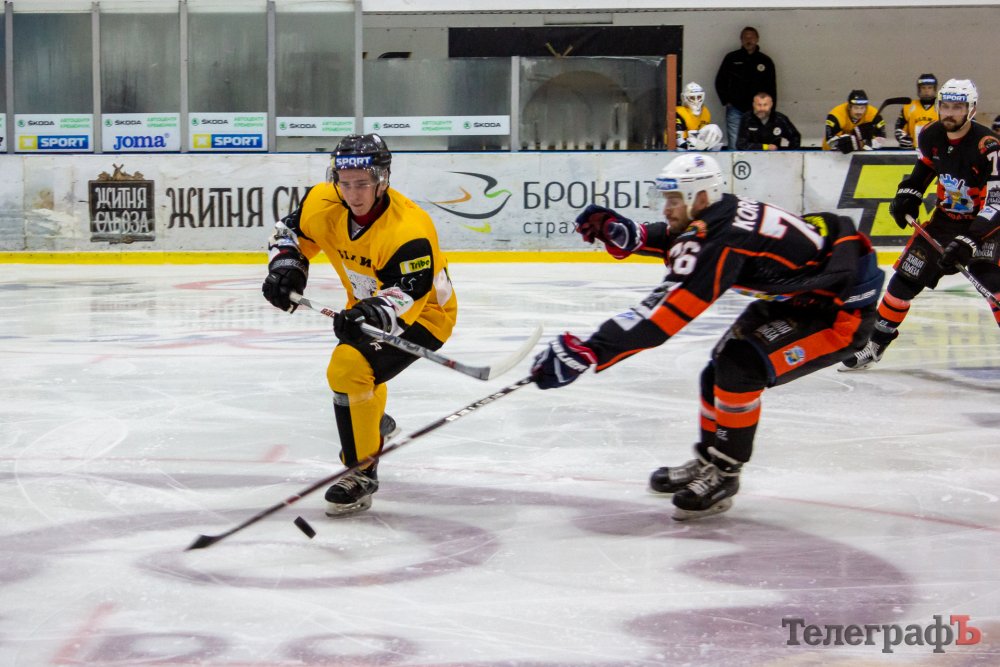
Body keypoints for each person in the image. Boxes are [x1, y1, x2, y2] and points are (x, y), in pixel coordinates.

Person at [530, 153, 884, 520]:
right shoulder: (718, 215)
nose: (667, 209)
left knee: (741, 369)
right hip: (802, 299)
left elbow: (664, 314)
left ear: (700, 197)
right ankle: (709, 460)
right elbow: (689, 241)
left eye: (674, 199)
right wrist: (636, 235)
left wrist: (590, 351)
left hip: (839, 315)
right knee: (716, 371)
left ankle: (725, 474)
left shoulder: (724, 238)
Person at [262, 133, 458, 515]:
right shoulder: (323, 201)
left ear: (382, 180)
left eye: (363, 183)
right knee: (357, 374)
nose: (353, 194)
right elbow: (288, 234)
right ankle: (368, 421)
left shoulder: (410, 230)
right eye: (346, 183)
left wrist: (370, 313)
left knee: (349, 366)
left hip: (426, 315)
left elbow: (408, 293)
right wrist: (287, 267)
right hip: (365, 304)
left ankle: (361, 472)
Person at [841, 79, 1000, 371]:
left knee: (994, 284)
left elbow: (996, 204)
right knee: (903, 281)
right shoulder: (930, 134)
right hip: (944, 221)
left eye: (958, 107)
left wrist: (969, 241)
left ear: (972, 109)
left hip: (984, 225)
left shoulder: (988, 146)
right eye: (945, 106)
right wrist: (907, 196)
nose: (949, 113)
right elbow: (922, 171)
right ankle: (875, 343)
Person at [715, 27, 777, 150]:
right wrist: (726, 101)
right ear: (741, 39)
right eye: (745, 37)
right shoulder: (732, 58)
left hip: (759, 110)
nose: (749, 40)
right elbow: (720, 81)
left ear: (757, 39)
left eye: (751, 37)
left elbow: (772, 87)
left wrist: (771, 109)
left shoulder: (765, 61)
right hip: (735, 109)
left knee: (758, 142)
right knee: (734, 143)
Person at [822, 90, 887, 153]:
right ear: (849, 107)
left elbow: (881, 136)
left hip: (861, 152)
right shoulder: (836, 115)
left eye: (862, 108)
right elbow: (830, 140)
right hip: (831, 154)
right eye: (856, 108)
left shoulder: (874, 114)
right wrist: (853, 140)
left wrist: (868, 146)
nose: (859, 112)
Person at [735, 91, 801, 150]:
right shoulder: (747, 118)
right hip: (751, 156)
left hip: (774, 156)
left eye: (765, 105)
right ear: (753, 105)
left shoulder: (780, 119)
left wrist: (789, 154)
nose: (762, 108)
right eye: (759, 105)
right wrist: (765, 147)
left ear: (771, 105)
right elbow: (741, 144)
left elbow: (795, 137)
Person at [673, 81, 725, 151]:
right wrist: (694, 146)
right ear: (684, 97)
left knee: (713, 128)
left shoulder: (705, 112)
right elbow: (679, 141)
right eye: (692, 97)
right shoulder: (679, 113)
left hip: (699, 148)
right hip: (682, 150)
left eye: (699, 97)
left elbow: (703, 136)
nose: (696, 101)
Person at [895, 73, 939, 149]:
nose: (926, 91)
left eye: (930, 88)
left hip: (937, 151)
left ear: (935, 89)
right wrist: (903, 138)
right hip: (914, 151)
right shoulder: (908, 107)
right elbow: (899, 127)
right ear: (919, 89)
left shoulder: (943, 107)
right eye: (923, 88)